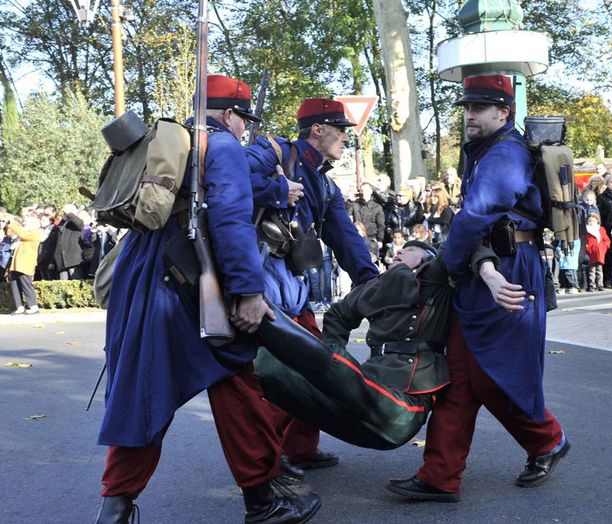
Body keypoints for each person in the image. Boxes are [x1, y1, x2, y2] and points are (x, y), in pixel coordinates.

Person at [93, 75, 320, 524]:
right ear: (230, 115)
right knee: (232, 372)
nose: (245, 132)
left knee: (150, 390)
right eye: (244, 122)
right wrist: (250, 293)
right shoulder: (221, 147)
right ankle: (261, 499)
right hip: (185, 283)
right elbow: (232, 223)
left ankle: (117, 508)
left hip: (143, 277)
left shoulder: (173, 143)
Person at [386, 74, 568, 503]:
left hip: (509, 269)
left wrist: (450, 265)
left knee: (491, 375)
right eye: (466, 108)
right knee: (463, 378)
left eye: (478, 108)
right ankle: (440, 475)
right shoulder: (489, 149)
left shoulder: (505, 152)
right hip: (491, 266)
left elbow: (475, 215)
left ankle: (547, 438)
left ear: (502, 113)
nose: (469, 115)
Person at [252, 240, 498, 450]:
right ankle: (249, 337)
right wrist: (335, 361)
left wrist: (489, 271)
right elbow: (337, 315)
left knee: (326, 363)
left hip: (402, 404)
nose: (399, 252)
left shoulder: (434, 278)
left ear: (426, 258)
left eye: (409, 249)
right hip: (367, 387)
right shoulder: (372, 287)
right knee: (277, 377)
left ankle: (258, 309)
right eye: (399, 249)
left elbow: (465, 241)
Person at [246, 97, 380, 472]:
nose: (345, 139)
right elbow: (226, 181)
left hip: (295, 290)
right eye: (340, 131)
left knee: (318, 367)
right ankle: (267, 463)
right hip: (264, 286)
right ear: (318, 130)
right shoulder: (271, 152)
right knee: (275, 380)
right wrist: (276, 190)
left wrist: (370, 280)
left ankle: (300, 448)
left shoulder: (323, 181)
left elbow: (344, 235)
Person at [4, 214, 41, 314]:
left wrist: (12, 223)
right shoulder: (24, 232)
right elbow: (9, 232)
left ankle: (33, 306)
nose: (24, 224)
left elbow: (22, 234)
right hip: (17, 263)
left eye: (26, 222)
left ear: (34, 224)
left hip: (26, 263)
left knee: (26, 284)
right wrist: (7, 223)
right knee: (15, 284)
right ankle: (19, 307)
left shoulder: (35, 233)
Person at [53, 204, 85, 280]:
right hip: (62, 261)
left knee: (76, 281)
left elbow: (80, 224)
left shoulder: (75, 224)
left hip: (73, 260)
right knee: (63, 285)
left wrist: (70, 214)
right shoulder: (63, 224)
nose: (63, 215)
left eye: (65, 213)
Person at [584, 212, 610, 292]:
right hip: (591, 253)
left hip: (600, 253)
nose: (591, 222)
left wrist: (604, 247)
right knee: (592, 271)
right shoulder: (586, 230)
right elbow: (584, 242)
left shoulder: (601, 229)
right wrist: (588, 248)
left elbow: (606, 240)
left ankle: (600, 285)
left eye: (593, 221)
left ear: (597, 221)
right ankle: (592, 285)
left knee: (599, 270)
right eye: (590, 221)